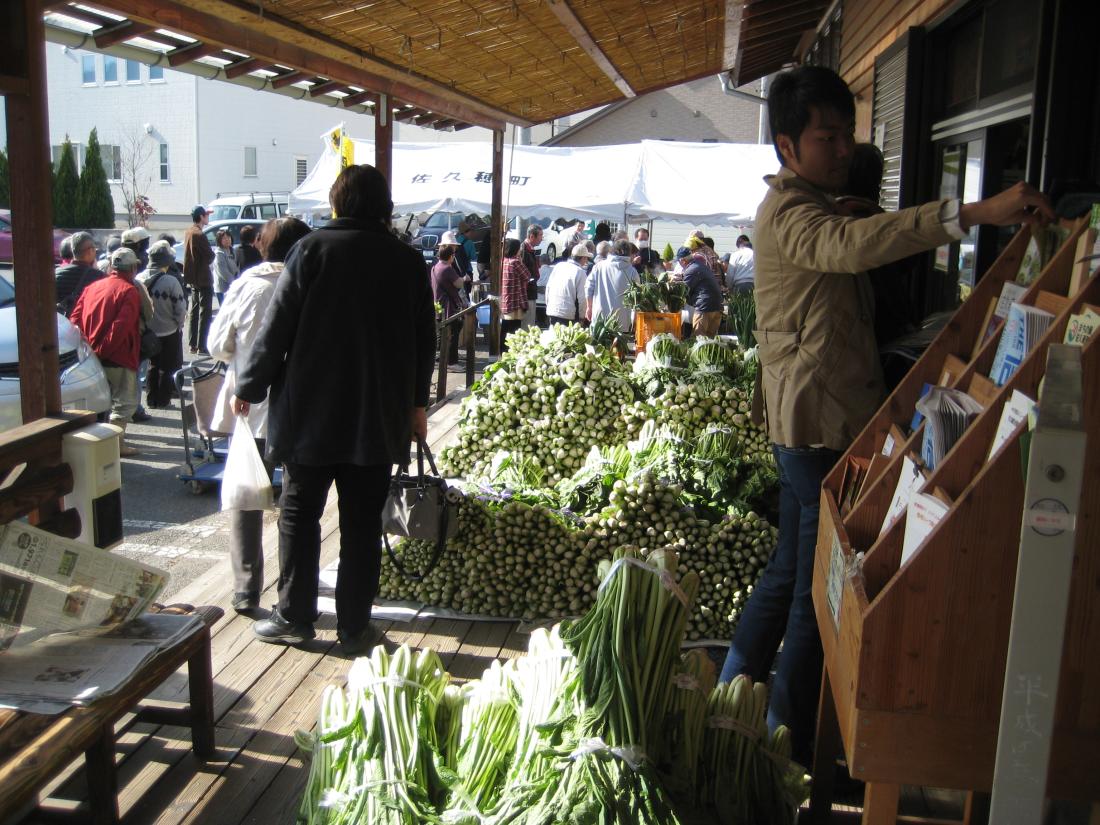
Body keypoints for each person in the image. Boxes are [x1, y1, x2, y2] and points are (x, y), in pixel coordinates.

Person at [717, 64, 1054, 769]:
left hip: (808, 420)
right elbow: (849, 248)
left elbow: (845, 240)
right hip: (817, 426)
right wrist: (971, 214)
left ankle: (729, 703)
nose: (844, 148)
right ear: (787, 146)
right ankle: (782, 743)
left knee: (788, 570)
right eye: (828, 136)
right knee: (809, 591)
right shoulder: (792, 214)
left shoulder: (812, 203)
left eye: (848, 133)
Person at [232, 164, 435, 657]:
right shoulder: (407, 261)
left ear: (337, 203)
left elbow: (276, 327)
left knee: (299, 515)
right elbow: (424, 340)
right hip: (377, 414)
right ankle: (355, 627)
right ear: (384, 206)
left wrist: (249, 385)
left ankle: (294, 617)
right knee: (362, 524)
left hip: (310, 414)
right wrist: (418, 405)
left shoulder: (311, 250)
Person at [209, 216, 312, 615]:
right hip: (302, 409)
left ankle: (246, 588)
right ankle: (294, 588)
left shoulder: (247, 286)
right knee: (299, 503)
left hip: (251, 407)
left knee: (247, 497)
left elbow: (218, 344)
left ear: (263, 246)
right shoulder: (310, 285)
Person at [70, 248, 144, 456]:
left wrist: (89, 349)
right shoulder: (129, 290)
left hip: (90, 357)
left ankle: (100, 446)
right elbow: (121, 327)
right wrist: (101, 350)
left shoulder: (92, 287)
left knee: (97, 403)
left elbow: (74, 320)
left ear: (112, 266)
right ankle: (116, 446)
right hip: (118, 356)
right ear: (133, 268)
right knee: (124, 403)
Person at [138, 240, 187, 408]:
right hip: (168, 331)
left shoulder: (139, 279)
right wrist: (179, 324)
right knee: (167, 367)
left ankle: (151, 399)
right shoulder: (170, 281)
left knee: (151, 365)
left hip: (146, 331)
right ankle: (163, 400)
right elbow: (180, 308)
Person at [585, 238, 637, 333]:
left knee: (598, 343)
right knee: (619, 343)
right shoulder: (632, 271)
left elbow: (588, 288)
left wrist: (589, 307)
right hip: (622, 322)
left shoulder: (599, 266)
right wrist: (634, 320)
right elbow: (636, 299)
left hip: (600, 319)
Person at [432, 230, 467, 367]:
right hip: (448, 306)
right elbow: (459, 283)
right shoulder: (447, 268)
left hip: (439, 304)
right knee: (453, 333)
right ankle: (451, 362)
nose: (455, 250)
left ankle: (441, 358)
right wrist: (464, 279)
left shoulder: (435, 266)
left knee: (442, 333)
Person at [183, 205, 214, 354]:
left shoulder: (189, 231)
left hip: (193, 277)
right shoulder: (199, 234)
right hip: (203, 278)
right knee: (205, 312)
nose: (208, 217)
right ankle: (202, 345)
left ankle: (193, 344)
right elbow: (210, 256)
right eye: (206, 215)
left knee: (194, 311)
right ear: (201, 217)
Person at [675, 245, 723, 336]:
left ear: (682, 261)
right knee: (710, 340)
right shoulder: (701, 266)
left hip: (705, 307)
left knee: (699, 338)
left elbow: (684, 292)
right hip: (718, 306)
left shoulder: (690, 270)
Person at [55, 231, 103, 316]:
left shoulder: (56, 273)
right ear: (90, 251)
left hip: (60, 322)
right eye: (94, 249)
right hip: (83, 322)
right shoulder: (99, 277)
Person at [545, 243, 592, 325]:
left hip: (552, 310)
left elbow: (548, 288)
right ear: (583, 258)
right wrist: (582, 317)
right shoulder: (580, 272)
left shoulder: (558, 266)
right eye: (586, 258)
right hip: (568, 315)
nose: (587, 261)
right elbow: (582, 298)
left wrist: (548, 305)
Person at [500, 237, 530, 350]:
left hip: (505, 300)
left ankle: (502, 351)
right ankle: (510, 352)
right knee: (514, 330)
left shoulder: (503, 261)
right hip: (515, 300)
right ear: (515, 249)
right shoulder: (515, 262)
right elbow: (527, 275)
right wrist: (520, 260)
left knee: (505, 327)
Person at [213, 228, 239, 306]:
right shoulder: (219, 253)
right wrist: (234, 283)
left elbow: (237, 267)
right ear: (219, 240)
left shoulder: (232, 250)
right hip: (223, 288)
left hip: (233, 286)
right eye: (224, 238)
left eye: (228, 237)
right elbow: (223, 272)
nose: (227, 240)